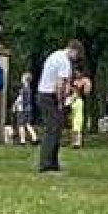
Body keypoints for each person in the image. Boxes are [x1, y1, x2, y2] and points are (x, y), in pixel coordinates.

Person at [36, 39, 85, 174]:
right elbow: (60, 85)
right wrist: (61, 102)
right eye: (77, 55)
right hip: (49, 97)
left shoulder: (55, 54)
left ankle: (53, 164)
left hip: (43, 94)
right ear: (73, 51)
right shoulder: (64, 61)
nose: (76, 59)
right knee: (52, 130)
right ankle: (46, 165)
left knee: (55, 130)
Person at [13, 72, 39, 146]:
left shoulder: (23, 89)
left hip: (22, 109)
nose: (21, 79)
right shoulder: (29, 89)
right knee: (28, 124)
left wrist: (15, 105)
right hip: (28, 109)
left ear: (25, 80)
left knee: (21, 125)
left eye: (22, 78)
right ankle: (35, 138)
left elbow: (20, 98)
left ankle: (22, 140)